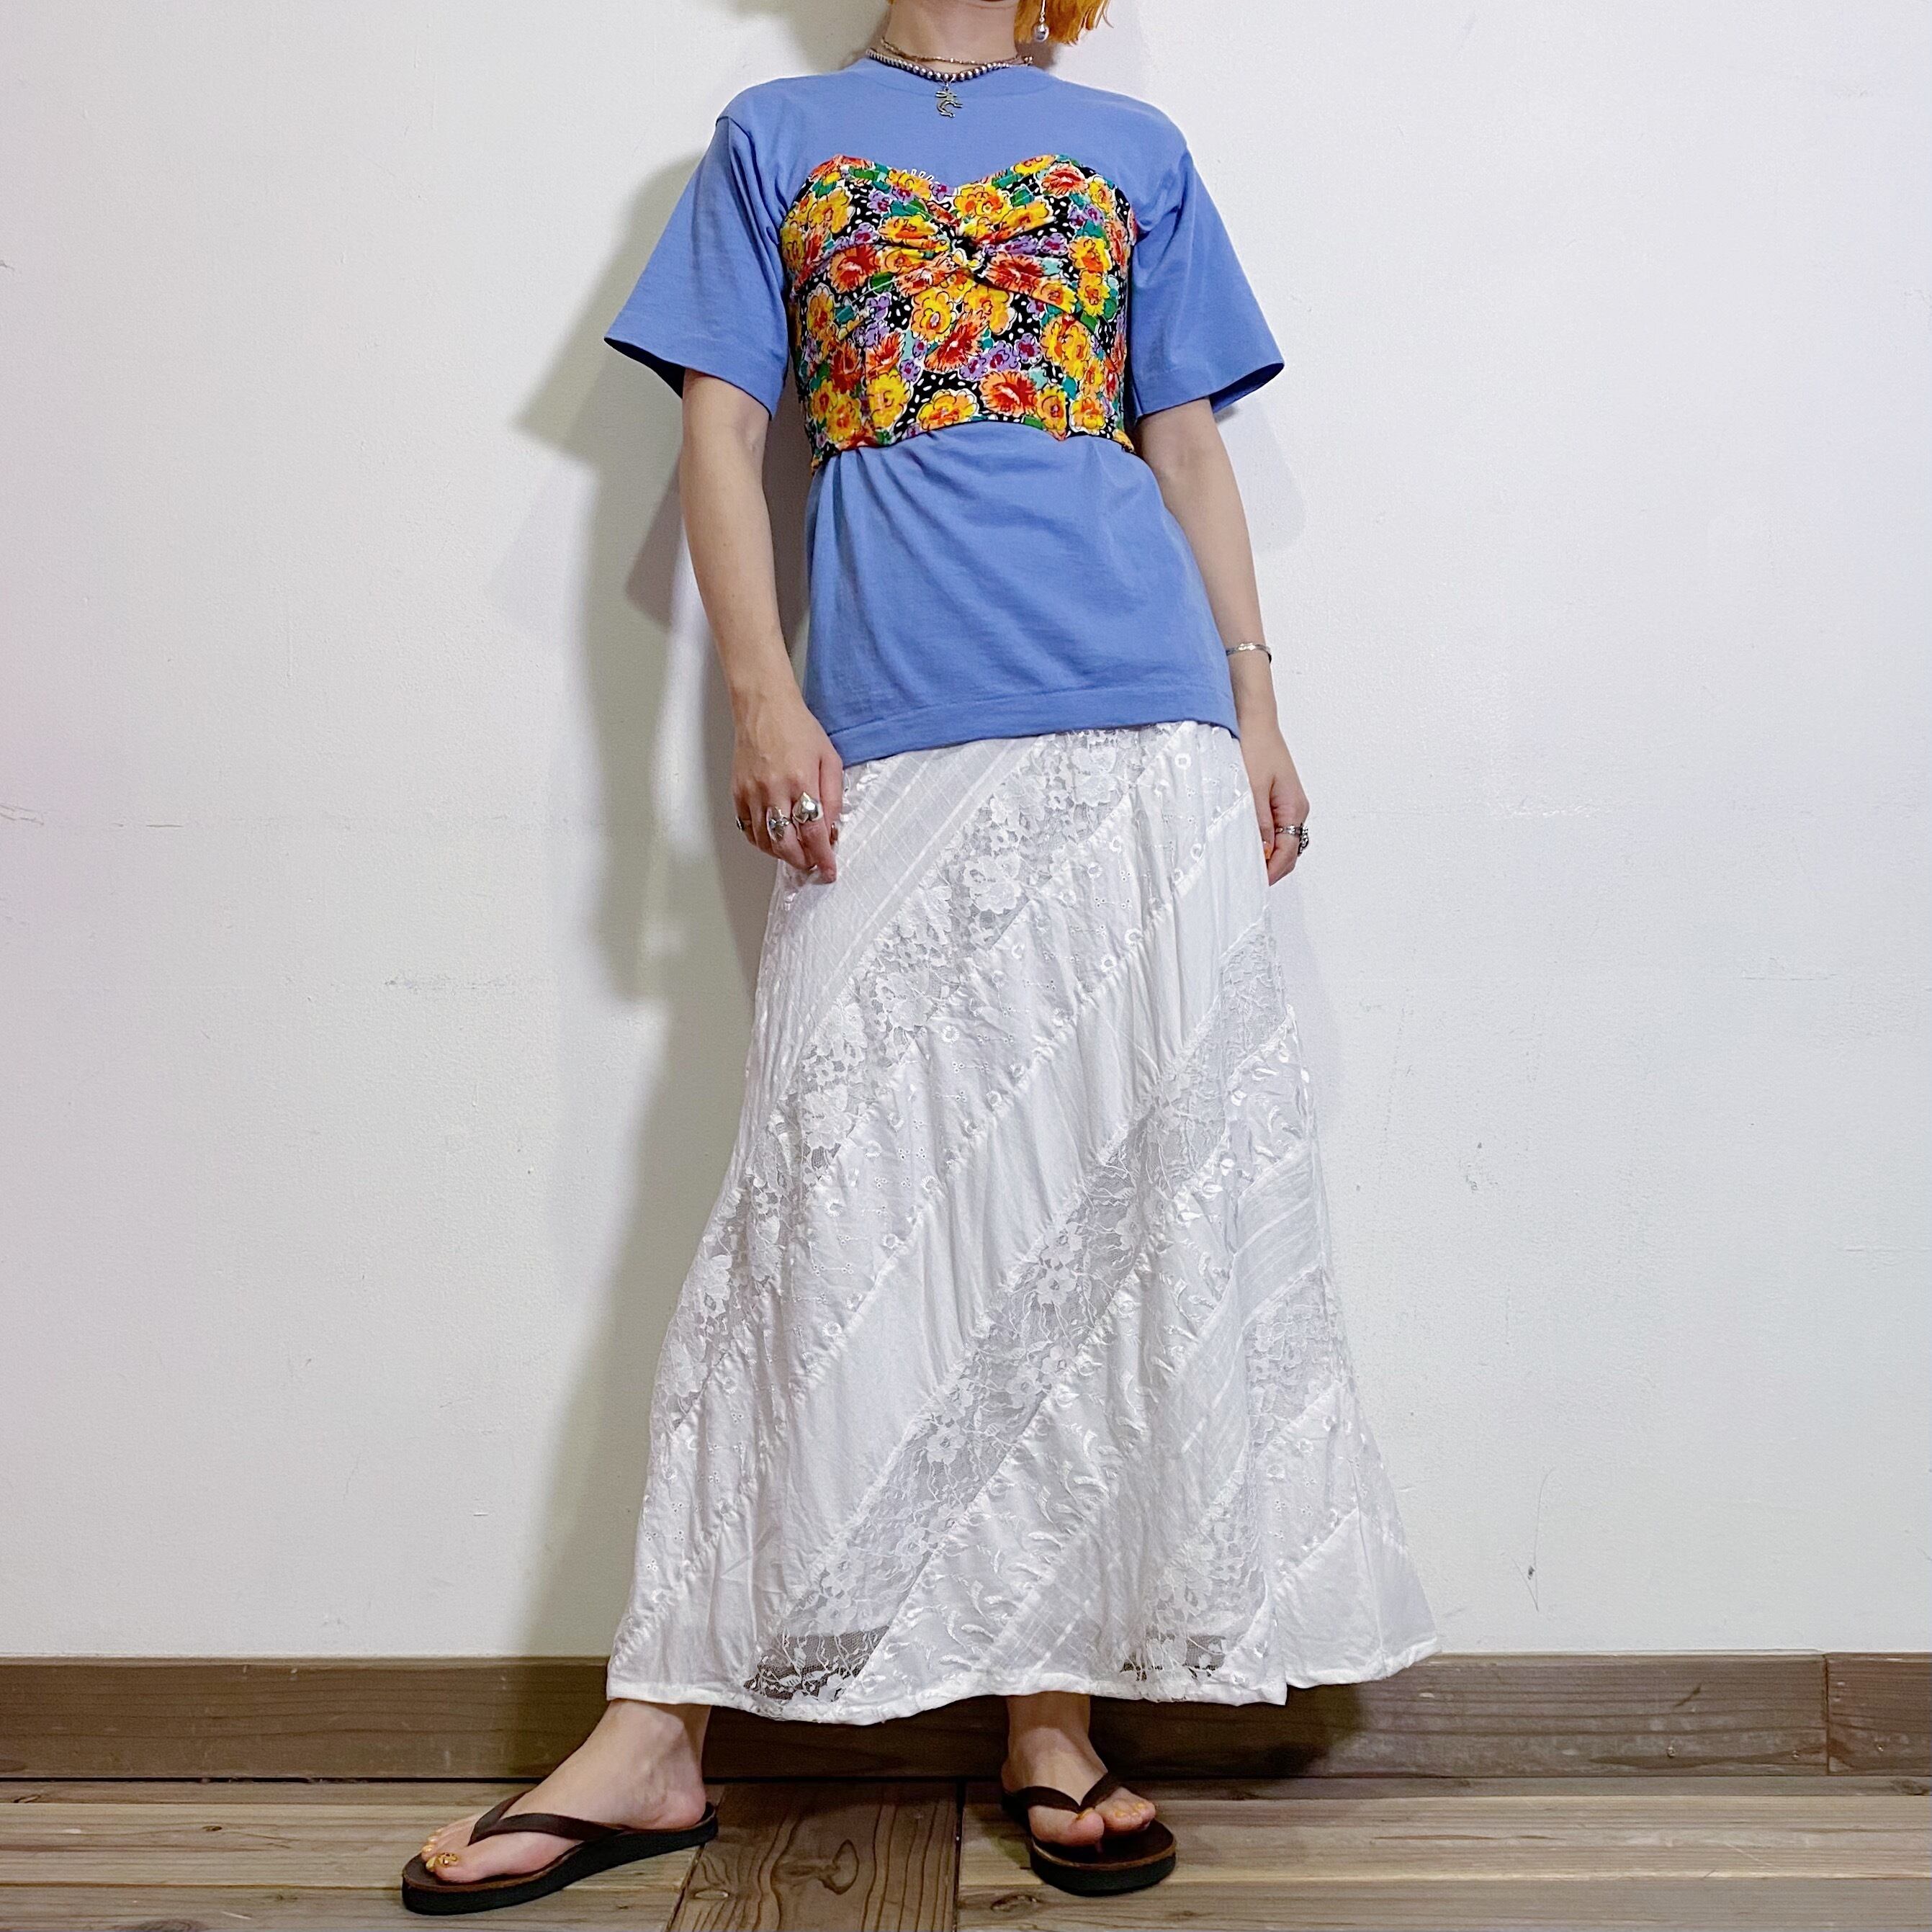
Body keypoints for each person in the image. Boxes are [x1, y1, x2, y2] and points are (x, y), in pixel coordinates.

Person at [404, 0, 1441, 1910]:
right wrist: (759, 691)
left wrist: (1256, 705)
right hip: (888, 733)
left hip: (1142, 730)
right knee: (814, 1219)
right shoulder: (774, 136)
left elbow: (1184, 442)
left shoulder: (1132, 151)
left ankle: (1049, 1715)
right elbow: (724, 432)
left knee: (1098, 1220)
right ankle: (657, 1730)